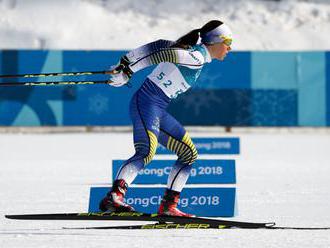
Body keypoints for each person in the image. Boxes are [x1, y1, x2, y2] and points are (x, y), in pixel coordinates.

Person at [99, 20, 233, 217]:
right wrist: (127, 70)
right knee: (146, 152)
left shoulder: (194, 53)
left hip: (157, 108)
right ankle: (114, 197)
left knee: (189, 154)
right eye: (228, 41)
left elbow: (159, 45)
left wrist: (125, 63)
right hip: (146, 103)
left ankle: (168, 206)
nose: (230, 47)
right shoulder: (195, 57)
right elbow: (163, 53)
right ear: (215, 41)